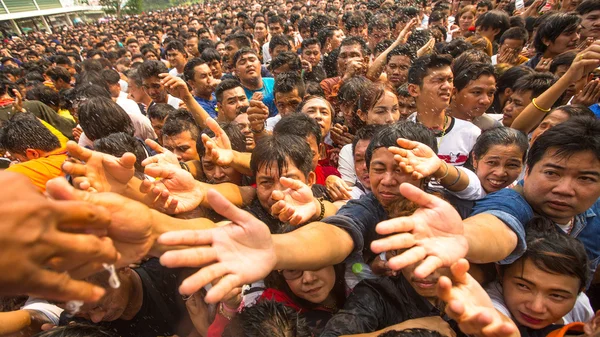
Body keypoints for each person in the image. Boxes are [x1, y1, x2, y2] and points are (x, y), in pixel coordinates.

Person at [486, 217, 594, 334]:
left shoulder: (580, 306)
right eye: (523, 286)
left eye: (556, 296)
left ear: (579, 292)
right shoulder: (487, 303)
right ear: (501, 273)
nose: (536, 308)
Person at [60, 259, 193, 337]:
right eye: (85, 314)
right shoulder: (76, 326)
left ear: (122, 267)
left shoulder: (177, 278)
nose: (96, 319)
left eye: (98, 306)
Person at [406, 54, 480, 166]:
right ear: (414, 90)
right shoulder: (402, 134)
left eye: (450, 80)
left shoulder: (470, 134)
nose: (447, 86)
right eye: (438, 80)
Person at [0, 113, 66, 192]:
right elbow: (39, 121)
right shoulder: (65, 143)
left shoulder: (25, 171)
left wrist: (13, 167)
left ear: (33, 154)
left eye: (18, 159)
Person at [448, 62, 500, 130]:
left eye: (490, 93)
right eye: (477, 92)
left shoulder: (492, 128)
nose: (486, 100)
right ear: (454, 93)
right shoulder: (433, 121)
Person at [233, 48, 278, 117]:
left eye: (252, 60)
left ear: (260, 65)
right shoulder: (237, 94)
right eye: (242, 62)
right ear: (236, 72)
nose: (249, 64)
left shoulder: (275, 83)